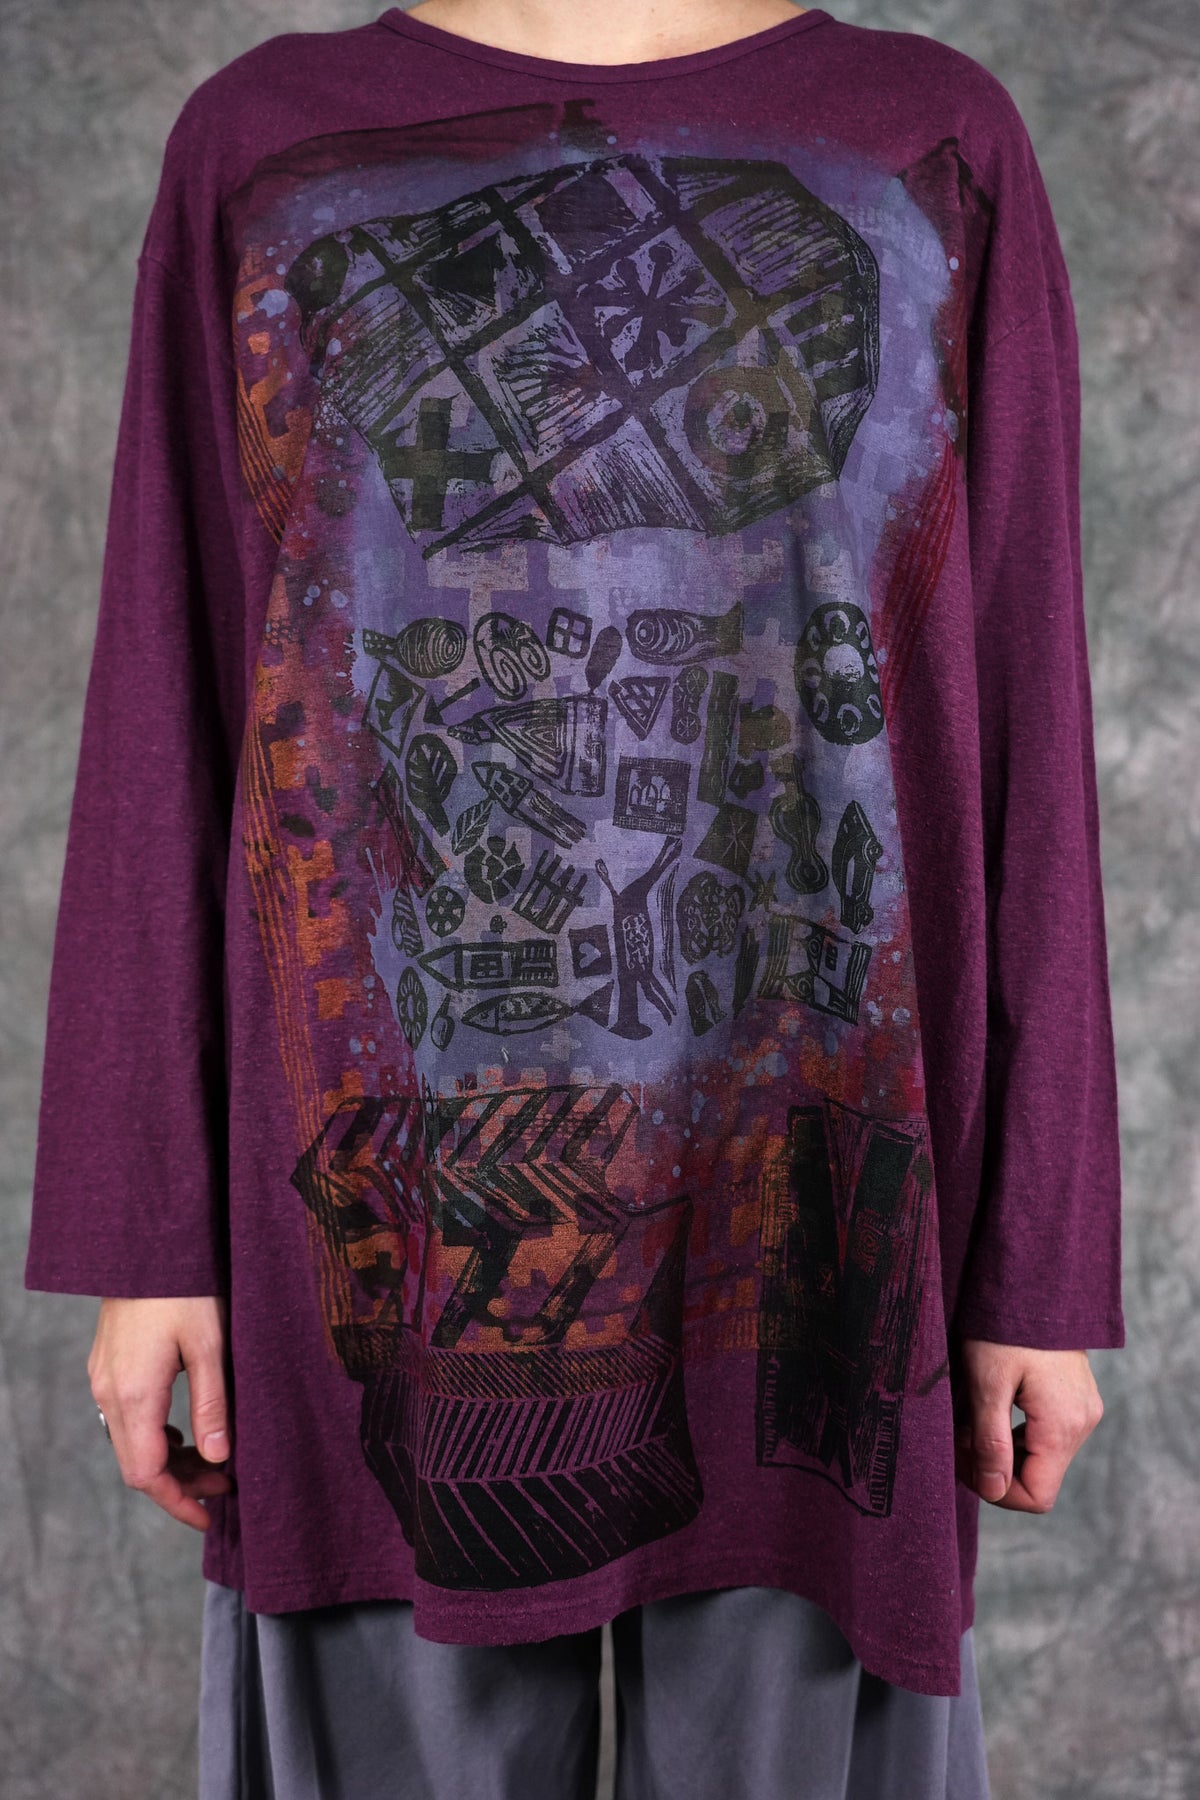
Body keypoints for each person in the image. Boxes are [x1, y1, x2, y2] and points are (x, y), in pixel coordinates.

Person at [25, 1, 1125, 1795]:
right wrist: (144, 1236)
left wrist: (1042, 1265)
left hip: (815, 1194)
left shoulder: (929, 142)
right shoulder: (266, 145)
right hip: (388, 1205)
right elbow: (171, 693)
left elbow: (1022, 720)